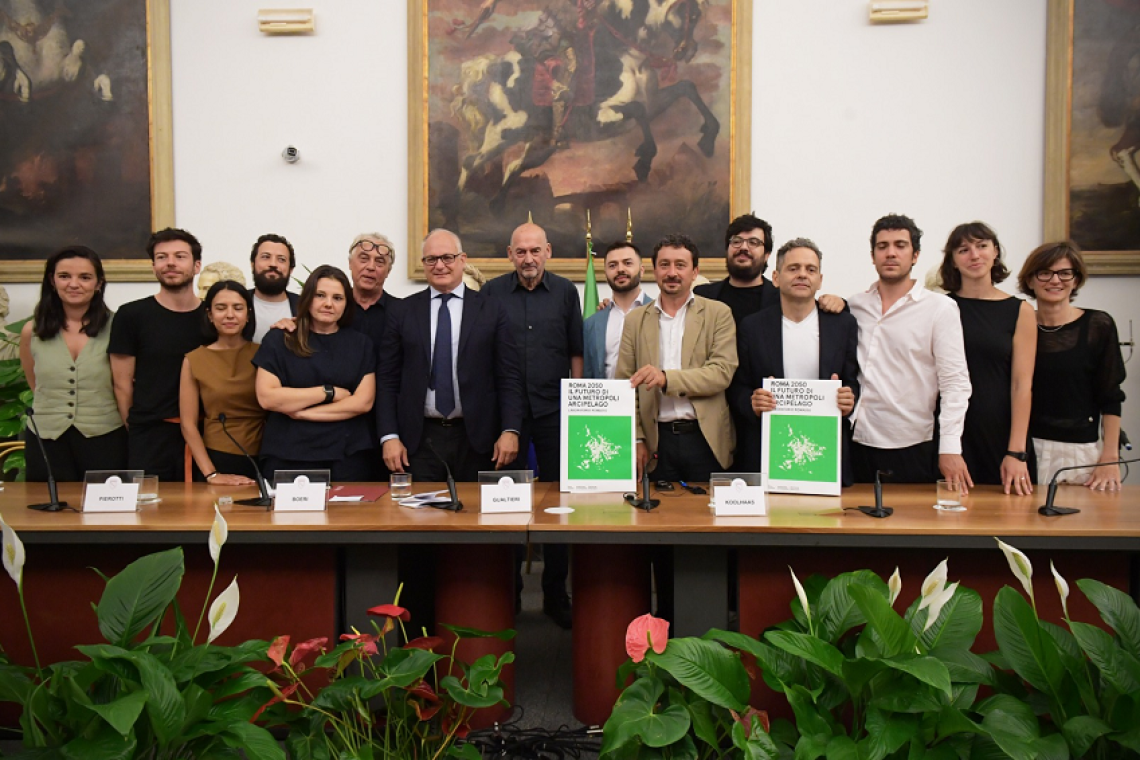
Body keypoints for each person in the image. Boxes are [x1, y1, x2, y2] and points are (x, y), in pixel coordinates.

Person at [482, 221, 583, 629]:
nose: (528, 258)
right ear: (510, 254)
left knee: (559, 508)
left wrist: (576, 408)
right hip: (504, 418)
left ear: (548, 251)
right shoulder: (489, 294)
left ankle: (556, 595)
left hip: (555, 413)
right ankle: (510, 595)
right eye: (520, 251)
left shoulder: (565, 292)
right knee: (505, 505)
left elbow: (575, 351)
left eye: (534, 250)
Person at [378, 229, 524, 482]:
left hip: (479, 439)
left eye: (447, 257)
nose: (440, 265)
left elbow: (509, 375)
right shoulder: (402, 311)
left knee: (477, 518)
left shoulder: (492, 310)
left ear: (462, 259)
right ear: (423, 264)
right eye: (431, 259)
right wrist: (389, 436)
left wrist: (511, 430)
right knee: (421, 519)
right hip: (419, 441)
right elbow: (387, 379)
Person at [848, 214, 972, 487]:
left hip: (912, 444)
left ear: (915, 255)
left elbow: (955, 383)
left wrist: (950, 446)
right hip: (857, 439)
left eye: (900, 245)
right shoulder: (854, 306)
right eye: (883, 246)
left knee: (908, 526)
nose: (891, 253)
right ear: (872, 256)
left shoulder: (939, 308)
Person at [730, 238, 859, 483]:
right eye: (793, 268)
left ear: (820, 280)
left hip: (826, 449)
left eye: (810, 270)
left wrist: (849, 397)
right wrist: (752, 402)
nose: (802, 275)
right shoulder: (752, 326)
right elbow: (736, 387)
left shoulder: (843, 324)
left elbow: (853, 382)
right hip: (767, 449)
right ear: (776, 278)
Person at [617, 233, 738, 482]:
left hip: (706, 439)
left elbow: (721, 373)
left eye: (680, 265)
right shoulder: (634, 320)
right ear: (654, 270)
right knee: (655, 518)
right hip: (655, 442)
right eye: (665, 265)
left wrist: (665, 379)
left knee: (707, 518)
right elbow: (625, 385)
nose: (672, 272)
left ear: (695, 272)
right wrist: (637, 438)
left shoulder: (719, 314)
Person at [1017, 241, 1127, 489]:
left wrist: (1110, 458)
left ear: (1076, 280)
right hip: (1026, 449)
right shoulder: (1017, 325)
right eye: (1045, 272)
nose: (1055, 280)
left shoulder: (1098, 325)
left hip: (1080, 452)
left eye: (1065, 273)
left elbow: (1111, 396)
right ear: (1030, 280)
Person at [253, 265, 376, 481]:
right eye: (320, 295)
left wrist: (302, 413)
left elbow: (362, 403)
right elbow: (268, 397)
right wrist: (328, 392)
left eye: (337, 298)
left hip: (346, 456)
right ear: (308, 297)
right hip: (287, 454)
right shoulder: (280, 339)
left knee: (354, 516)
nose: (328, 303)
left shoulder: (360, 344)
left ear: (346, 304)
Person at [940, 222, 1036, 494]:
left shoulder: (1021, 311)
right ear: (953, 261)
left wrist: (1017, 452)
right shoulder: (940, 308)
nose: (974, 255)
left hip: (1001, 433)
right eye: (963, 249)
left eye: (982, 246)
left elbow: (1022, 385)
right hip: (951, 434)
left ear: (995, 252)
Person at [19, 246, 127, 481]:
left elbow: (125, 384)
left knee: (106, 514)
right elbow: (35, 383)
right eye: (64, 276)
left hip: (105, 438)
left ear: (99, 283)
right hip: (46, 439)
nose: (74, 284)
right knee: (47, 512)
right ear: (52, 281)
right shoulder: (32, 331)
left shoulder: (119, 327)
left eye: (85, 277)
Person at [109, 228, 208, 482]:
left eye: (180, 256)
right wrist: (137, 429)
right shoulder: (131, 315)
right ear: (153, 266)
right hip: (150, 435)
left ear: (196, 266)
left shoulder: (214, 317)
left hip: (206, 432)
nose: (170, 263)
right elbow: (122, 383)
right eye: (162, 257)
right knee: (150, 515)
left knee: (204, 512)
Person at [179, 281, 263, 485]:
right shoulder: (194, 359)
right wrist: (212, 474)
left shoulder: (265, 353)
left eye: (238, 307)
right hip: (218, 456)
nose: (230, 315)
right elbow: (188, 424)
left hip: (267, 454)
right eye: (220, 308)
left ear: (248, 314)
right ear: (209, 315)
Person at [583, 241, 652, 379]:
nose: (620, 269)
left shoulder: (659, 313)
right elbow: (589, 374)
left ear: (642, 270)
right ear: (606, 273)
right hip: (606, 398)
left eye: (627, 263)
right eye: (613, 265)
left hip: (648, 399)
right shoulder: (593, 323)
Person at [694, 213, 780, 323]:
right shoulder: (702, 296)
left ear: (766, 255)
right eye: (736, 241)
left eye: (753, 242)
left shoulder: (779, 299)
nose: (743, 247)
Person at [249, 233, 299, 343]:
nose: (273, 264)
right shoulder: (237, 303)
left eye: (281, 259)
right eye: (266, 257)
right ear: (252, 264)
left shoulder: (304, 307)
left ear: (290, 269)